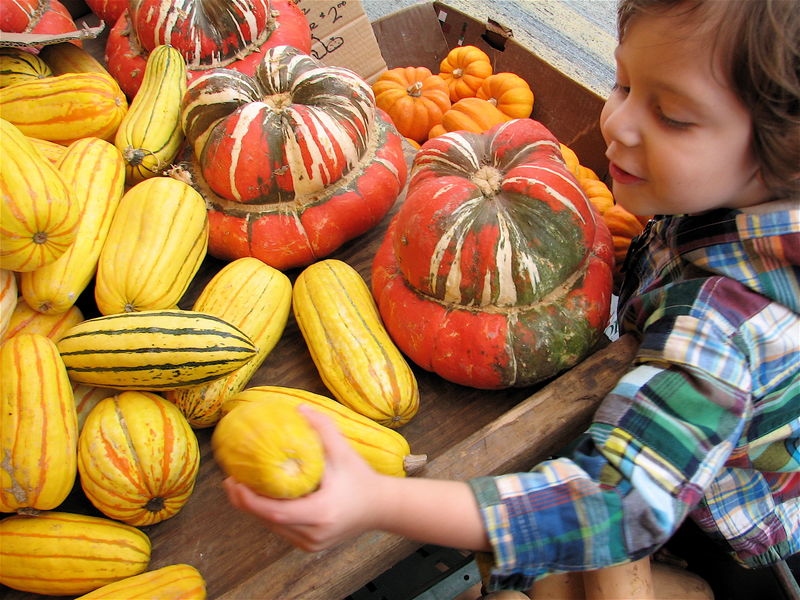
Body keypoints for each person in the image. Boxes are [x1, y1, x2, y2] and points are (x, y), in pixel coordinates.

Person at [223, 0, 800, 597]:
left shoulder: (719, 323)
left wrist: (378, 501)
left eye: (673, 116)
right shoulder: (740, 195)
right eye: (624, 83)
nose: (617, 123)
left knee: (568, 573)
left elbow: (614, 507)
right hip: (674, 447)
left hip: (715, 511)